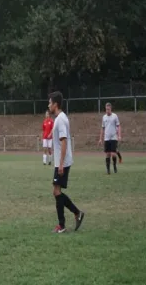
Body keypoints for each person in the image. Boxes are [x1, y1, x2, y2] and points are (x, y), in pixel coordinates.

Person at [48, 91, 85, 233]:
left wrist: (61, 164)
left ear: (56, 104)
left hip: (62, 162)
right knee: (56, 191)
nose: (48, 105)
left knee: (56, 191)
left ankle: (64, 224)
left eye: (50, 102)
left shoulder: (61, 119)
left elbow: (64, 142)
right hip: (60, 161)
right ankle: (75, 215)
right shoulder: (60, 118)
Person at [99, 103, 122, 174]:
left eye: (108, 109)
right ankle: (108, 170)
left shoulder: (115, 116)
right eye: (106, 109)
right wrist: (100, 138)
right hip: (106, 138)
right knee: (107, 154)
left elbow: (118, 126)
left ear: (111, 109)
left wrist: (119, 135)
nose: (107, 111)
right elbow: (102, 128)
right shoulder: (104, 117)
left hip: (114, 137)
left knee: (113, 154)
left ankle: (114, 166)